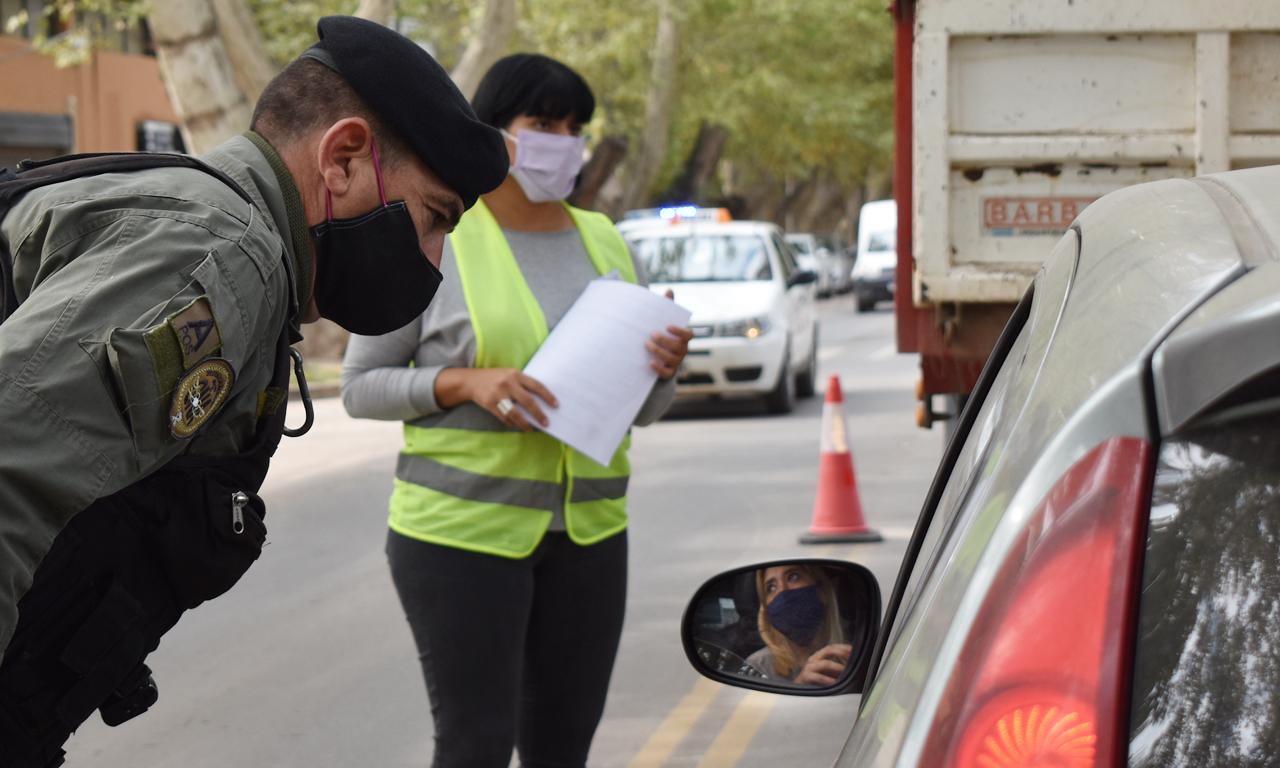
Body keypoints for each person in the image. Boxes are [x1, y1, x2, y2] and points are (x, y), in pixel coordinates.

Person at [0, 16, 508, 765]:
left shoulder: (203, 220)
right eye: (436, 219)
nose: (434, 260)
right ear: (342, 159)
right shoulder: (220, 257)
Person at [341, 53, 693, 767]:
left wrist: (664, 372)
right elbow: (360, 385)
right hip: (459, 540)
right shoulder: (434, 234)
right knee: (476, 746)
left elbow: (644, 410)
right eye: (541, 122)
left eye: (574, 125)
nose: (561, 139)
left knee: (563, 750)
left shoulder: (607, 242)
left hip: (590, 540)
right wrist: (463, 385)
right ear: (491, 129)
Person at [746, 564, 853, 686]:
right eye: (771, 587)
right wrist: (800, 685)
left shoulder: (851, 654)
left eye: (793, 577)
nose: (782, 592)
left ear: (821, 591)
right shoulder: (757, 666)